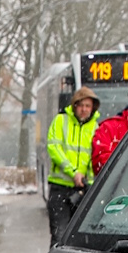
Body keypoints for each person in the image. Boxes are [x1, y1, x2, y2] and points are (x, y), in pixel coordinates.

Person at [44, 87, 101, 241]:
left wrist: (89, 182)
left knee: (80, 238)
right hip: (60, 188)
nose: (84, 109)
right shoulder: (60, 121)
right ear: (74, 106)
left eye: (87, 106)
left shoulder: (96, 128)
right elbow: (54, 148)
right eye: (81, 105)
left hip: (83, 191)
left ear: (93, 108)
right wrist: (73, 172)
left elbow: (94, 158)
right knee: (59, 235)